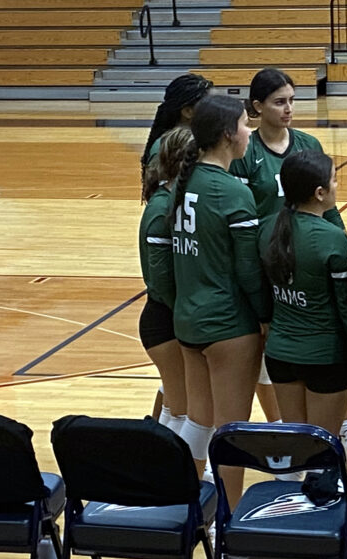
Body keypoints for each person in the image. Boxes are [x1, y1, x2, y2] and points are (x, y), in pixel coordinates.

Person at [231, 68, 347, 471]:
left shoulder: (308, 144)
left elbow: (330, 215)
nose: (289, 108)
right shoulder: (248, 153)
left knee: (317, 354)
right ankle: (290, 441)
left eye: (293, 100)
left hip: (313, 257)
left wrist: (339, 252)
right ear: (257, 108)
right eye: (279, 101)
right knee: (292, 355)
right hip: (271, 261)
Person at [171, 94, 267, 509]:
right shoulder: (231, 192)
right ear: (229, 135)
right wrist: (266, 317)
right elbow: (248, 271)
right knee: (232, 431)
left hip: (188, 320)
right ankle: (228, 529)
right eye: (246, 124)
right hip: (228, 326)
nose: (250, 132)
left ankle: (186, 507)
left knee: (198, 420)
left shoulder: (181, 182)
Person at [258, 150, 347, 438]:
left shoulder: (266, 229)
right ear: (320, 192)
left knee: (296, 444)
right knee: (322, 449)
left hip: (280, 354)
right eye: (334, 181)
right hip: (325, 356)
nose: (338, 187)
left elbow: (258, 287)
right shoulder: (331, 238)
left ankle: (287, 482)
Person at [140, 73, 212, 419]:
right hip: (168, 310)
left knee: (176, 393)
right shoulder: (162, 209)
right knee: (182, 402)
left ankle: (154, 439)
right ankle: (168, 456)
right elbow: (159, 278)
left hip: (178, 303)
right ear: (186, 110)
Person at [138, 126, 194, 435]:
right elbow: (160, 282)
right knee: (183, 411)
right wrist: (187, 312)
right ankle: (181, 472)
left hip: (171, 319)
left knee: (176, 407)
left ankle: (167, 467)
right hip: (164, 321)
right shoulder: (162, 209)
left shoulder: (173, 200)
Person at [141, 73, 212, 176]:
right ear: (188, 111)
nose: (215, 109)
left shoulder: (207, 140)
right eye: (208, 105)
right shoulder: (163, 149)